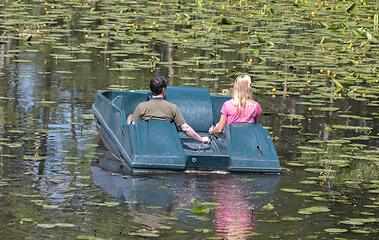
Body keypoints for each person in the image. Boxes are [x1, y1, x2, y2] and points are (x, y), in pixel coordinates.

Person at [128, 76, 210, 144]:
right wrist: (201, 139)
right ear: (164, 89)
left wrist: (131, 118)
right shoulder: (172, 108)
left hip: (147, 143)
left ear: (151, 90)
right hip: (166, 143)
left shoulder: (141, 107)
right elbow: (185, 128)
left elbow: (133, 125)